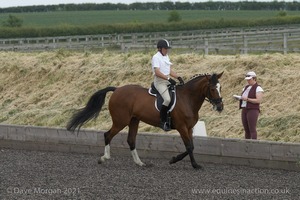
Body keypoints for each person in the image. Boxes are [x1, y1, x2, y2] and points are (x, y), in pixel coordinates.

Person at [151, 39, 184, 131]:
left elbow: (169, 70)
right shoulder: (156, 57)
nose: (167, 50)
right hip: (160, 82)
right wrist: (169, 79)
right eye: (165, 48)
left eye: (167, 48)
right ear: (160, 49)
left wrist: (178, 77)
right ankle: (163, 121)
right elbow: (157, 72)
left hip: (167, 81)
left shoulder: (166, 56)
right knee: (167, 99)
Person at [235, 71, 264, 139]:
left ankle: (254, 145)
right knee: (246, 130)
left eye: (249, 79)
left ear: (254, 79)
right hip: (244, 109)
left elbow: (258, 100)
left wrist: (247, 99)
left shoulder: (258, 88)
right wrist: (240, 98)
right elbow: (244, 97)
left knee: (252, 129)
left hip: (253, 109)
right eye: (247, 79)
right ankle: (247, 145)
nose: (248, 81)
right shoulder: (245, 87)